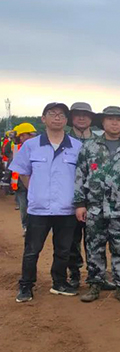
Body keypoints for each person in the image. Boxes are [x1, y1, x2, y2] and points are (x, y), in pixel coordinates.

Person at [12, 103, 82, 302]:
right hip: (39, 209)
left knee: (63, 250)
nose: (57, 118)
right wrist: (36, 191)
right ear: (43, 119)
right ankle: (26, 286)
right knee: (32, 250)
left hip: (66, 208)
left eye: (61, 115)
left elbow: (81, 175)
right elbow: (24, 172)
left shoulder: (76, 146)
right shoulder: (31, 145)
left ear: (66, 120)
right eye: (52, 114)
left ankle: (59, 282)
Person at [74, 106, 120, 304]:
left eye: (118, 120)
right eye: (110, 119)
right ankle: (95, 284)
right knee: (94, 247)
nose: (114, 123)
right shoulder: (89, 147)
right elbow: (80, 174)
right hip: (95, 207)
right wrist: (80, 203)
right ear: (102, 122)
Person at [66, 102, 99, 288]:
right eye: (77, 114)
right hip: (69, 198)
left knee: (95, 240)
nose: (81, 118)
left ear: (91, 119)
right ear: (71, 118)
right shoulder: (63, 140)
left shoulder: (99, 142)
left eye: (85, 115)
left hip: (96, 199)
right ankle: (74, 272)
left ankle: (95, 275)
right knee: (71, 239)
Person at [11, 123, 37, 234]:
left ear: (31, 135)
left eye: (23, 135)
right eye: (20, 136)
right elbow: (13, 165)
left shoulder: (39, 147)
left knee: (34, 206)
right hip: (20, 183)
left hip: (35, 182)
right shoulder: (17, 148)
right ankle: (26, 226)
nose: (21, 138)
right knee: (23, 206)